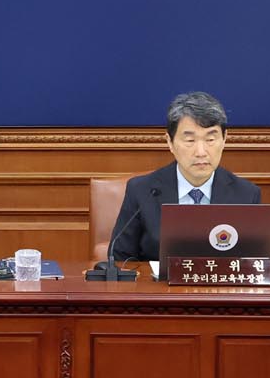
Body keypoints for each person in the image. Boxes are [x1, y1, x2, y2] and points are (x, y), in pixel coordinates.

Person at [107, 91, 261, 263]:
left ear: (224, 139)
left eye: (210, 139)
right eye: (190, 141)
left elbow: (256, 262)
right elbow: (119, 258)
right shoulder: (142, 190)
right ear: (170, 142)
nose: (201, 152)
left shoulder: (246, 195)